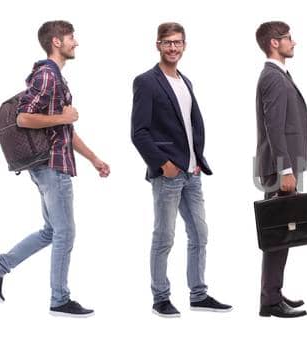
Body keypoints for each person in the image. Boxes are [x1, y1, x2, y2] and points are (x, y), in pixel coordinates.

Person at [0, 20, 111, 318]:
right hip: (51, 166)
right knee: (65, 233)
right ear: (56, 41)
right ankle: (59, 299)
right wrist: (64, 117)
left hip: (51, 164)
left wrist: (94, 159)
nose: (75, 43)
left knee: (52, 231)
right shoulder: (47, 77)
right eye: (71, 38)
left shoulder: (53, 78)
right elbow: (24, 118)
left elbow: (65, 129)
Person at [128, 22, 232, 318]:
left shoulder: (186, 81)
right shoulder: (147, 81)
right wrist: (163, 164)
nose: (173, 47)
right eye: (167, 42)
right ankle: (160, 297)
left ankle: (198, 294)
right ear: (157, 45)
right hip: (168, 174)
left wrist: (196, 160)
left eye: (177, 42)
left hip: (192, 173)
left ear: (184, 45)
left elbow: (191, 125)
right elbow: (139, 132)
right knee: (164, 237)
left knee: (200, 234)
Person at [253, 20, 307, 318]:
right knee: (277, 232)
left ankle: (272, 295)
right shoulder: (273, 77)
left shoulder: (279, 75)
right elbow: (274, 128)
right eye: (288, 38)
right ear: (274, 42)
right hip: (279, 168)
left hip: (283, 166)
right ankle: (270, 301)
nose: (293, 42)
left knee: (282, 231)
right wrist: (285, 169)